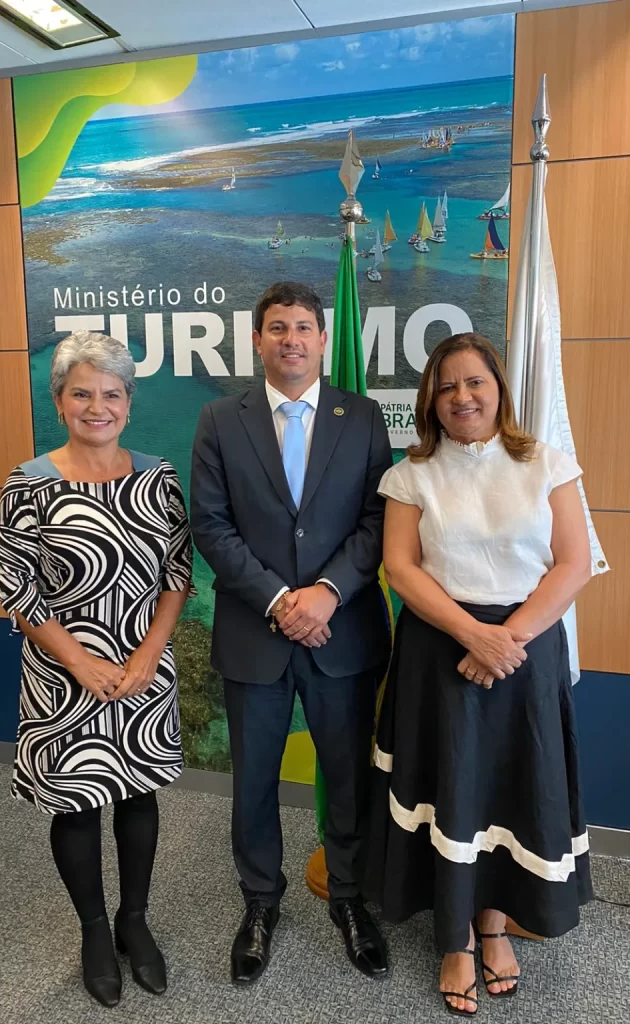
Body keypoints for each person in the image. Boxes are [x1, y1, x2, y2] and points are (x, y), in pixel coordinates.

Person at [364, 333, 593, 1017]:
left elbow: (573, 564)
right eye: (446, 386)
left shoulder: (548, 463)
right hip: (440, 650)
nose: (461, 397)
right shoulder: (411, 474)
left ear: (499, 389)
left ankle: (493, 926)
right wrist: (473, 636)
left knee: (507, 790)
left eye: (475, 383)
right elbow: (401, 568)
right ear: (430, 399)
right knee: (451, 791)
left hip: (525, 651)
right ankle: (456, 940)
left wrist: (505, 641)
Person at [190, 281, 392, 985]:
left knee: (349, 776)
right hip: (257, 635)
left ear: (323, 339)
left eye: (304, 326)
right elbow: (210, 525)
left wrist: (327, 593)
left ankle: (350, 898)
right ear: (257, 340)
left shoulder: (362, 416)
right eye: (278, 327)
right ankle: (259, 903)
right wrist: (281, 600)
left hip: (343, 634)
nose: (292, 339)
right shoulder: (221, 419)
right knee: (253, 782)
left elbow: (379, 520)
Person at [0, 332, 195, 1008]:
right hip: (64, 676)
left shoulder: (158, 477)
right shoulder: (29, 483)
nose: (97, 406)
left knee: (138, 796)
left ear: (129, 404)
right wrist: (80, 662)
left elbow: (177, 575)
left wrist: (148, 655)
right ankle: (94, 931)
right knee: (76, 807)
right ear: (59, 402)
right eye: (82, 393)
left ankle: (134, 920)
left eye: (111, 394)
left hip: (141, 671)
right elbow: (16, 586)